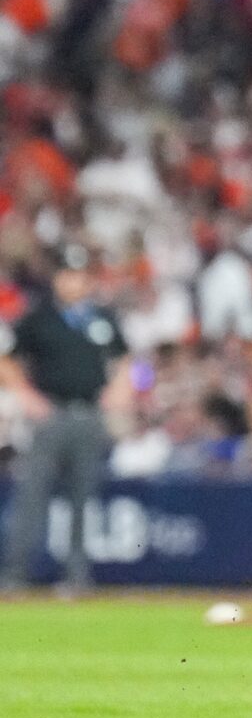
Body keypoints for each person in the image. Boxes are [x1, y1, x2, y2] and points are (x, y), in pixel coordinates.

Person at [0, 248, 129, 594]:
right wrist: (27, 398)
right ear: (57, 279)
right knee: (32, 495)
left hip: (89, 414)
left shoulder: (102, 319)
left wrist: (119, 391)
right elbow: (7, 361)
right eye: (66, 274)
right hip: (51, 415)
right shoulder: (39, 318)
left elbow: (125, 360)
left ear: (88, 280)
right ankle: (15, 574)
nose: (72, 281)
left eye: (78, 275)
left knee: (82, 499)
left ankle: (77, 576)